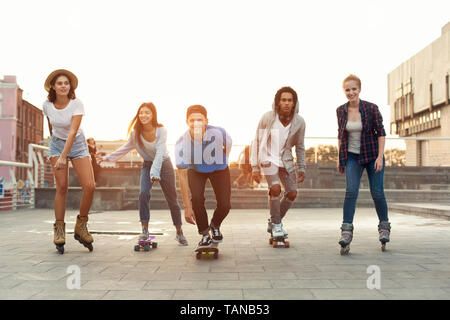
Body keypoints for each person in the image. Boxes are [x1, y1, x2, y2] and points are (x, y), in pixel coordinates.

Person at [100, 102, 188, 245]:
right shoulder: (136, 133)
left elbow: (160, 152)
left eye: (147, 112)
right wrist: (106, 158)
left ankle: (179, 232)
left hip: (164, 164)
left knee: (172, 199)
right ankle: (145, 231)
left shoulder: (161, 130)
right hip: (147, 165)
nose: (143, 115)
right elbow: (126, 148)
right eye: (141, 113)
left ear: (153, 115)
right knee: (143, 193)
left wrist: (155, 171)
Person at [336, 74, 390, 254]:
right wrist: (339, 158)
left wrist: (380, 157)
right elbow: (340, 135)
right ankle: (346, 231)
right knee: (351, 191)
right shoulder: (340, 110)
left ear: (359, 89)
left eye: (354, 89)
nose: (351, 92)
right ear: (344, 91)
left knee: (377, 192)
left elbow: (381, 133)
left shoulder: (371, 108)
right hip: (352, 156)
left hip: (372, 154)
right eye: (347, 90)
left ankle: (384, 227)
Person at [43, 69, 95, 253]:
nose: (63, 86)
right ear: (53, 87)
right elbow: (51, 125)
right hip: (57, 144)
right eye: (59, 83)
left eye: (66, 83)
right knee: (62, 186)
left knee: (89, 185)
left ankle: (81, 225)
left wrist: (64, 156)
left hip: (78, 144)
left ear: (70, 86)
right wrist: (56, 151)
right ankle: (59, 229)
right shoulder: (47, 105)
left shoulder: (76, 104)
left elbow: (73, 132)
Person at [251, 86, 306, 239]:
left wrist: (302, 167)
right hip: (268, 159)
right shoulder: (268, 118)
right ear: (278, 102)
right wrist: (255, 167)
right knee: (275, 188)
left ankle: (274, 221)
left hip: (286, 161)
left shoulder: (299, 122)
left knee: (292, 193)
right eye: (283, 100)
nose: (287, 103)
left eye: (290, 100)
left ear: (294, 103)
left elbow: (300, 146)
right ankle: (277, 226)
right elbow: (256, 140)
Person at [175, 105, 232, 249]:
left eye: (199, 120)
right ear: (187, 122)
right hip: (196, 170)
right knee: (197, 199)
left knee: (225, 205)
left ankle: (215, 225)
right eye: (192, 120)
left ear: (206, 121)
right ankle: (205, 235)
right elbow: (182, 177)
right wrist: (187, 207)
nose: (196, 123)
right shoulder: (181, 143)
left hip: (219, 168)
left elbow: (228, 148)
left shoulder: (220, 133)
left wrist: (221, 159)